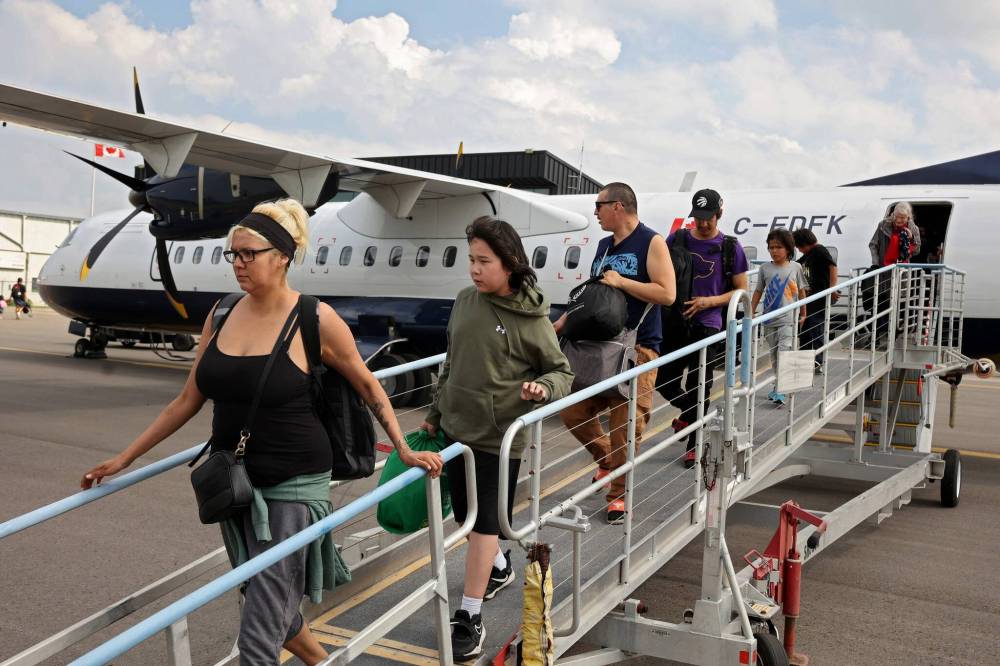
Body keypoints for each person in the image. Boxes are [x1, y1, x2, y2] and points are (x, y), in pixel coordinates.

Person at [81, 199, 443, 666]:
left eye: (249, 253)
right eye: (233, 254)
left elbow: (368, 385)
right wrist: (124, 458)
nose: (239, 264)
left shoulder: (314, 319)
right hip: (234, 485)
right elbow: (187, 399)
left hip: (293, 486)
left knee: (258, 632)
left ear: (283, 257)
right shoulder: (223, 313)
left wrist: (404, 449)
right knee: (267, 600)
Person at [420, 216, 573, 661]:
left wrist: (542, 389)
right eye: (470, 259)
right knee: (466, 517)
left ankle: (469, 615)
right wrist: (434, 412)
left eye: (483, 261)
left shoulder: (531, 317)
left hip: (498, 437)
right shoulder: (465, 300)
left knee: (486, 521)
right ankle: (500, 566)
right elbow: (452, 362)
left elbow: (561, 370)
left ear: (509, 264)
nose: (473, 268)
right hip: (455, 431)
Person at [557, 182, 676, 524]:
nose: (595, 212)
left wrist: (623, 282)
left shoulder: (651, 242)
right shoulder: (603, 246)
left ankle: (618, 495)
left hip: (637, 347)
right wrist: (561, 324)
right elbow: (592, 296)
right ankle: (608, 462)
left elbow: (667, 294)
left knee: (626, 425)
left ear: (619, 206)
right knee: (573, 412)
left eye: (599, 205)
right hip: (598, 347)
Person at [656, 189, 749, 468]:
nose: (703, 223)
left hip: (708, 324)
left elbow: (740, 290)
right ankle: (689, 413)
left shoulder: (731, 247)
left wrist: (709, 301)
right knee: (663, 380)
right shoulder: (679, 239)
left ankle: (694, 444)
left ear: (719, 215)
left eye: (708, 218)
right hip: (675, 319)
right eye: (698, 218)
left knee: (700, 384)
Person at [752, 229, 806, 405]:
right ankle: (777, 384)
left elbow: (802, 291)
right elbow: (758, 290)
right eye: (771, 247)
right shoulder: (764, 268)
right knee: (775, 356)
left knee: (785, 351)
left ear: (788, 249)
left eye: (779, 247)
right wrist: (750, 312)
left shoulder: (796, 267)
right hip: (769, 320)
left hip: (788, 319)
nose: (774, 251)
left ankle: (782, 389)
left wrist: (804, 312)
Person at [867, 202, 921, 344]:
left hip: (901, 272)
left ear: (908, 217)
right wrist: (875, 263)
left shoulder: (913, 228)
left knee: (898, 303)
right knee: (881, 302)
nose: (899, 220)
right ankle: (878, 335)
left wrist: (910, 238)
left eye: (903, 218)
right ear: (893, 215)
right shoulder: (883, 225)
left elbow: (917, 250)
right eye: (897, 217)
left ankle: (894, 335)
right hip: (884, 270)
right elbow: (873, 244)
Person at [793, 228, 838, 373]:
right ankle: (804, 361)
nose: (799, 250)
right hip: (809, 301)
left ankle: (818, 361)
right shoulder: (807, 256)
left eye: (798, 247)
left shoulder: (819, 250)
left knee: (816, 330)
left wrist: (832, 289)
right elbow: (795, 265)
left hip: (819, 300)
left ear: (803, 244)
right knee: (805, 332)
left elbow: (832, 266)